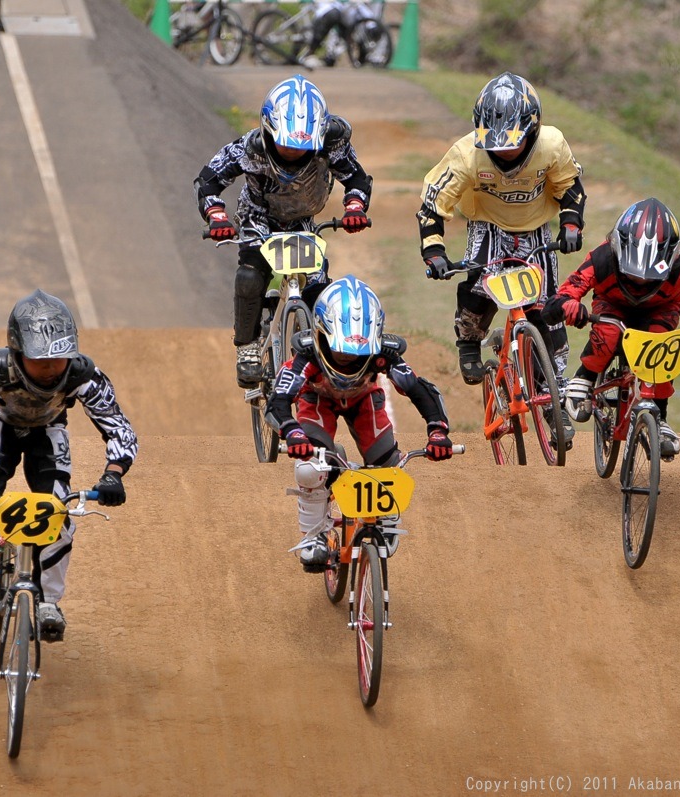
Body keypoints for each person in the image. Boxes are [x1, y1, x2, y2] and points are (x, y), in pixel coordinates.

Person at [0, 290, 138, 642]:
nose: (50, 369)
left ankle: (50, 602)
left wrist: (113, 474)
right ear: (16, 351)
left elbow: (119, 426)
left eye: (58, 360)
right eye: (39, 360)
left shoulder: (83, 375)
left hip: (48, 430)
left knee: (58, 510)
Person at [416, 71, 586, 447]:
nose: (505, 152)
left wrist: (571, 225)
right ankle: (469, 341)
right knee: (479, 285)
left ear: (533, 129)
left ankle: (552, 402)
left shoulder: (552, 145)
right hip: (487, 224)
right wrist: (434, 251)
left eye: (513, 143)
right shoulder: (465, 155)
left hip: (538, 228)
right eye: (495, 144)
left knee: (548, 309)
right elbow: (432, 206)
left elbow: (570, 189)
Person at [543, 197, 680, 458]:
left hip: (660, 312)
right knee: (608, 332)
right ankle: (585, 377)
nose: (641, 280)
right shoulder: (600, 259)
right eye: (633, 272)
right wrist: (569, 307)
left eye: (650, 274)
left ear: (672, 256)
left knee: (664, 344)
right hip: (612, 308)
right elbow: (559, 299)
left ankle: (661, 417)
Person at [195, 75, 373, 389]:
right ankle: (248, 348)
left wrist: (355, 208)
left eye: (303, 146)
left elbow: (357, 178)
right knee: (250, 275)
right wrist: (217, 215)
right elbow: (210, 179)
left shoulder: (333, 143)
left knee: (319, 289)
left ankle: (324, 351)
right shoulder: (249, 147)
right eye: (286, 143)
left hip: (304, 220)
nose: (293, 152)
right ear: (268, 129)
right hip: (258, 219)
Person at [266, 275, 453, 570]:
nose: (348, 358)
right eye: (340, 349)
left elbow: (418, 389)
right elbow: (277, 400)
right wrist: (293, 433)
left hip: (364, 401)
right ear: (320, 335)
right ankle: (314, 536)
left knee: (388, 465)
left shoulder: (383, 355)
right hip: (318, 402)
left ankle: (387, 514)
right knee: (309, 467)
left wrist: (438, 430)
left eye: (358, 353)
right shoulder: (305, 356)